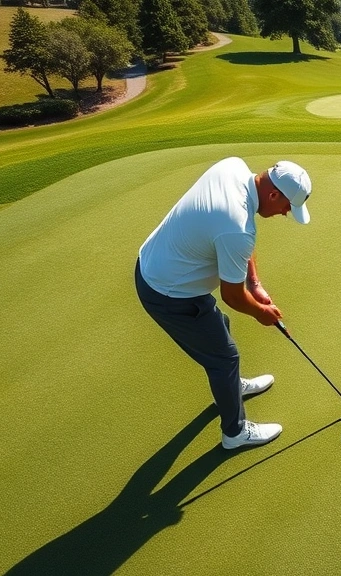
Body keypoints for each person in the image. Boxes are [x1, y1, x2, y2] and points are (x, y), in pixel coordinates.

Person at [134, 157, 312, 450]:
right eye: (286, 207)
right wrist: (262, 313)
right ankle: (235, 433)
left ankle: (229, 388)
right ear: (273, 194)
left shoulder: (233, 167)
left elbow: (242, 240)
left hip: (157, 263)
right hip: (167, 291)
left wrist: (254, 284)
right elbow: (231, 296)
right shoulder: (237, 228)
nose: (284, 214)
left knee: (221, 329)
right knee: (224, 358)